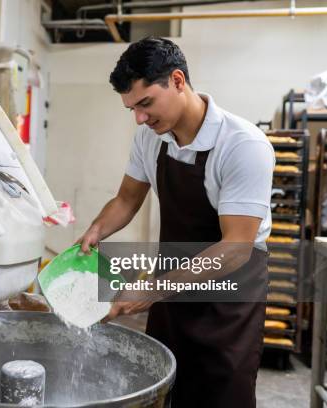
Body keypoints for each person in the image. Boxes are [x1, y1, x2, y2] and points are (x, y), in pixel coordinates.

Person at [77, 37, 274, 408]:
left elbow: (235, 248)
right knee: (163, 386)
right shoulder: (150, 138)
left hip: (229, 296)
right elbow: (126, 199)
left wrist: (150, 291)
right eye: (132, 108)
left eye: (146, 103)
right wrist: (96, 232)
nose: (139, 117)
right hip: (173, 276)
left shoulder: (243, 146)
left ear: (178, 81)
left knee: (220, 393)